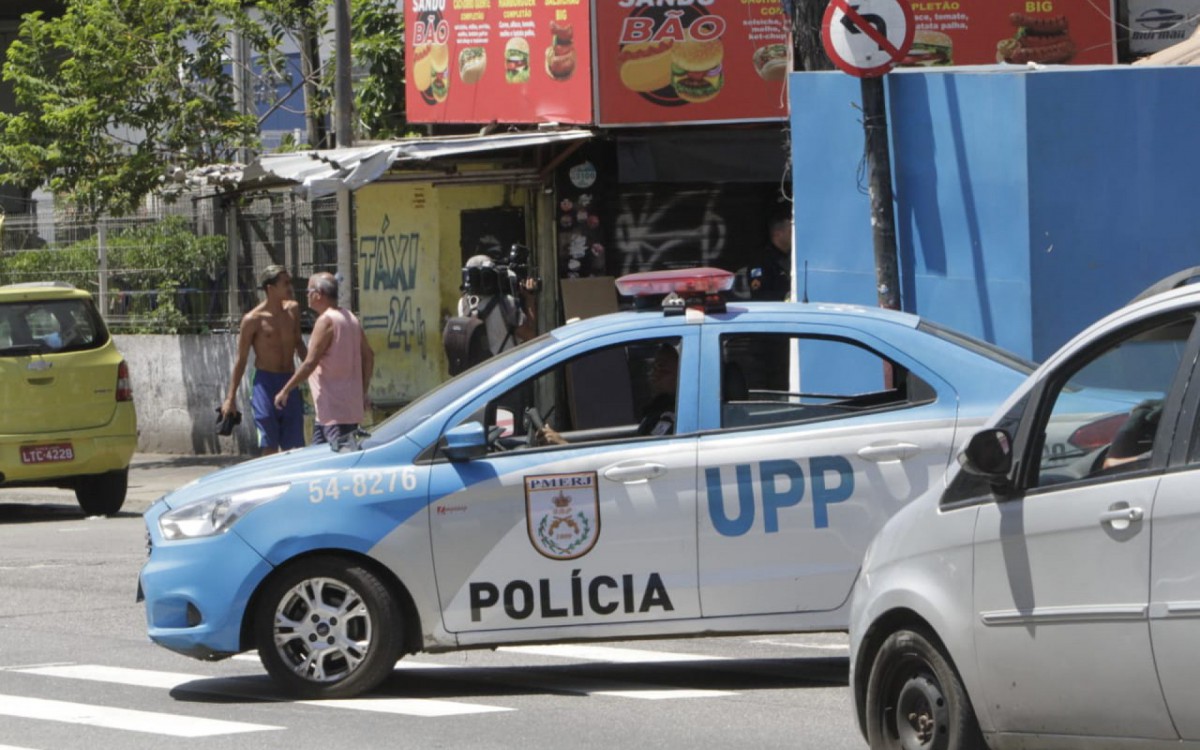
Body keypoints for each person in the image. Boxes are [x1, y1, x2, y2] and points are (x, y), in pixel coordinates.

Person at [274, 272, 374, 447]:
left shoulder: (326, 322)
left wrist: (285, 390)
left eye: (309, 290)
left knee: (337, 463)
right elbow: (369, 356)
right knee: (318, 463)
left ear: (318, 294)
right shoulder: (350, 318)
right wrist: (362, 392)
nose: (306, 295)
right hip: (333, 412)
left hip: (335, 413)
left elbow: (310, 363)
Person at [221, 264, 308, 455]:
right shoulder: (252, 320)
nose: (290, 287)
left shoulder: (293, 310)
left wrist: (315, 372)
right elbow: (241, 360)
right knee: (269, 443)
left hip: (290, 381)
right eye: (285, 283)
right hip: (265, 383)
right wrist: (230, 398)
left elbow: (299, 343)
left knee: (294, 447)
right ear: (270, 288)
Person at [534, 343, 679, 445]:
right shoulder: (657, 410)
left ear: (681, 373)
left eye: (662, 368)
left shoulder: (673, 417)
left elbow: (637, 461)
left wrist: (564, 446)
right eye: (653, 367)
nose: (653, 374)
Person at [458, 254, 538, 356]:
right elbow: (530, 335)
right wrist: (530, 299)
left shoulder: (462, 304)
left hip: (479, 370)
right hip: (507, 368)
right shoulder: (506, 303)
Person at [746, 214, 793, 301]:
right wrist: (789, 296)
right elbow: (760, 294)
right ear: (778, 234)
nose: (794, 236)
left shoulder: (794, 256)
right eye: (790, 232)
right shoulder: (761, 260)